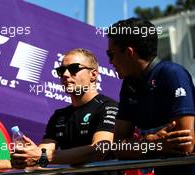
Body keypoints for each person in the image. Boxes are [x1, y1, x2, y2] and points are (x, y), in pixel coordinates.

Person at [106, 17, 195, 175]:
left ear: (129, 52)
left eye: (110, 54)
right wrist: (151, 142)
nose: (110, 62)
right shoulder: (129, 85)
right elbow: (118, 147)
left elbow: (185, 145)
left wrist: (140, 145)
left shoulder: (172, 74)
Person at [12, 48, 118, 168]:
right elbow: (42, 153)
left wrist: (44, 156)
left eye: (74, 69)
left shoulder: (108, 106)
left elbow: (99, 150)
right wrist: (27, 157)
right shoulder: (60, 115)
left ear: (93, 75)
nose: (65, 75)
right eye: (61, 70)